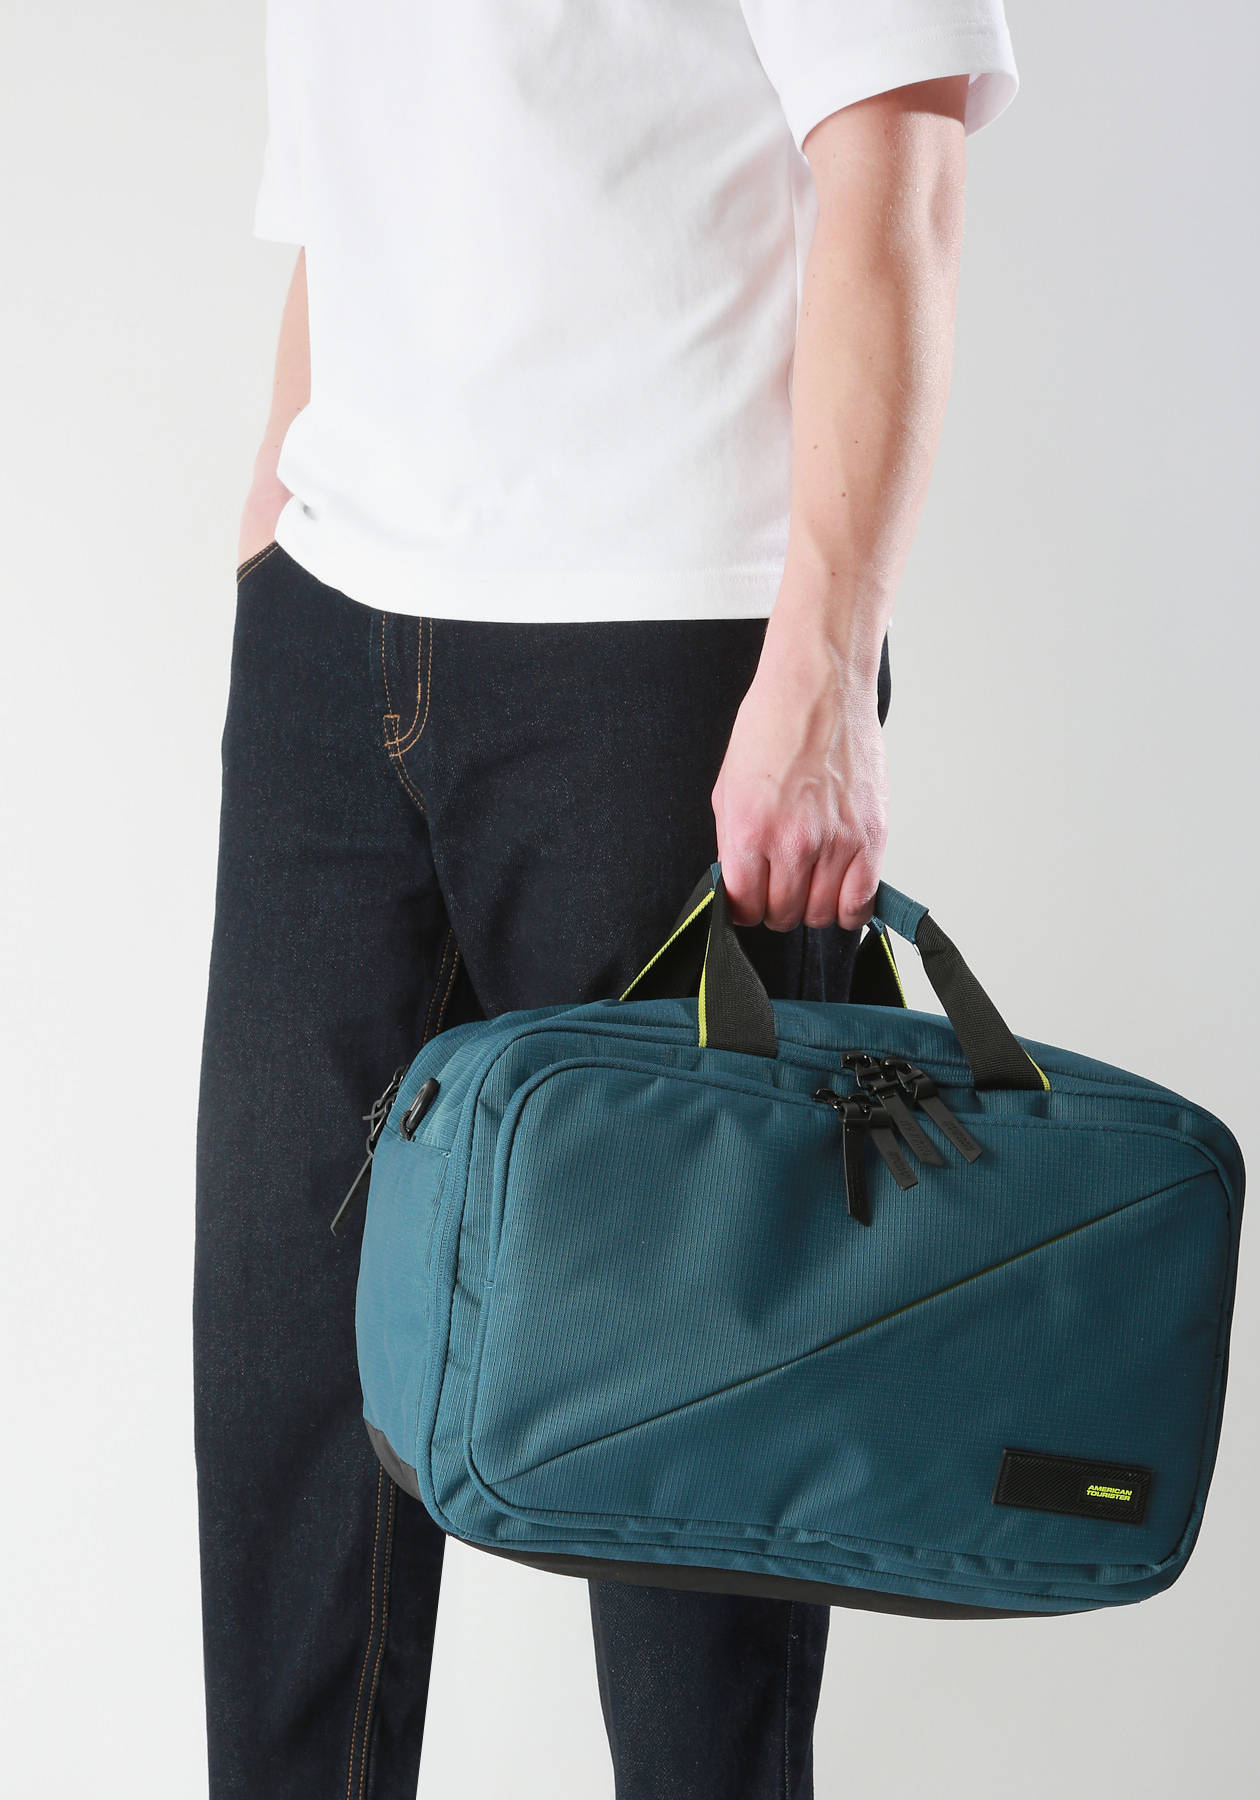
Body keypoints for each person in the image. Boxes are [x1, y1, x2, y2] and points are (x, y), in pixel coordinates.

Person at [194, 3, 1019, 1795]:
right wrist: (270, 554)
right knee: (288, 1409)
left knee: (687, 1453)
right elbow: (352, 205)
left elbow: (897, 155)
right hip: (335, 636)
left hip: (661, 653)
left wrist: (825, 670)